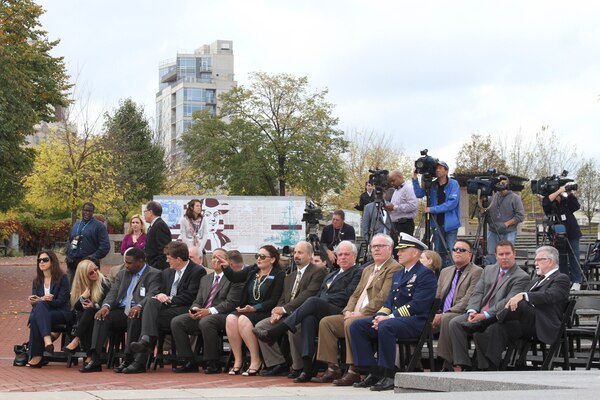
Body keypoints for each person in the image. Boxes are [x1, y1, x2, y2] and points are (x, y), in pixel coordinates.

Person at [349, 233, 437, 391]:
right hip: (395, 320)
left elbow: (417, 305)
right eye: (398, 250)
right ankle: (373, 371)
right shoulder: (399, 274)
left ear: (415, 253)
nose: (398, 253)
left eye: (403, 250)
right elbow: (389, 301)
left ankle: (388, 374)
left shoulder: (425, 274)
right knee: (357, 326)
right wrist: (379, 316)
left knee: (386, 326)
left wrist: (389, 317)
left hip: (416, 321)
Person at [315, 234, 401, 386]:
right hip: (354, 313)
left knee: (351, 323)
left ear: (390, 248)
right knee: (326, 323)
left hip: (374, 315)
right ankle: (332, 367)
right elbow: (355, 294)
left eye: (380, 246)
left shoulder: (394, 268)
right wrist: (348, 310)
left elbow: (383, 297)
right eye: (374, 246)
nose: (376, 249)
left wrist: (361, 313)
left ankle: (353, 370)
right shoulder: (368, 269)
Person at [477, 246, 570, 370]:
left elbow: (550, 296)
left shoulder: (561, 278)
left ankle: (487, 320)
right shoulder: (535, 281)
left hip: (542, 323)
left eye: (539, 260)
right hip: (524, 323)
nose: (535, 263)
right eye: (535, 260)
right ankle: (491, 367)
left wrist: (523, 295)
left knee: (521, 302)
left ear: (550, 261)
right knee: (495, 328)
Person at [448, 240, 530, 371]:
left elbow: (507, 302)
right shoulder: (488, 270)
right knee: (455, 323)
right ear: (496, 256)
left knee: (485, 330)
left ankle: (485, 367)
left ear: (514, 254)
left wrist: (484, 315)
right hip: (478, 313)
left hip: (497, 317)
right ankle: (463, 364)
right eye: (501, 254)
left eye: (507, 254)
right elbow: (478, 292)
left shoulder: (521, 277)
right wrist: (472, 311)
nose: (504, 257)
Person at [128, 241, 206, 373]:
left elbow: (191, 296)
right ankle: (145, 342)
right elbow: (159, 290)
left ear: (179, 260)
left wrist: (169, 298)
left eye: (169, 258)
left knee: (148, 318)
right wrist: (160, 295)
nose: (167, 261)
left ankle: (140, 357)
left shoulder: (197, 271)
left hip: (184, 308)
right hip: (166, 309)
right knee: (151, 303)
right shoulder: (167, 272)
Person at [79, 248, 161, 373]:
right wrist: (105, 306)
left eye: (129, 263)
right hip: (121, 310)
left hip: (139, 311)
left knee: (134, 317)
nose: (126, 265)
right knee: (101, 316)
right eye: (125, 262)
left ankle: (128, 358)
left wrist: (139, 305)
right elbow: (113, 293)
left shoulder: (154, 274)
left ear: (140, 261)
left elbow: (152, 294)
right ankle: (95, 359)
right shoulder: (122, 274)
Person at [252, 241, 326, 378]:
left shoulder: (318, 271)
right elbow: (283, 297)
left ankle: (298, 367)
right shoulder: (290, 276)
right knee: (260, 326)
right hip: (285, 314)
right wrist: (276, 312)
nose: (296, 255)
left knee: (294, 327)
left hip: (302, 315)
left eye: (300, 252)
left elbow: (308, 295)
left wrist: (284, 309)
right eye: (295, 252)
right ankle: (277, 363)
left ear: (310, 255)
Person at [170, 248, 244, 373]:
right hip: (203, 313)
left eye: (219, 257)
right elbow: (199, 300)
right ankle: (189, 360)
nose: (215, 260)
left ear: (227, 261)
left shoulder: (234, 278)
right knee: (177, 321)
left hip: (223, 315)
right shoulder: (206, 278)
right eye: (213, 257)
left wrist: (209, 311)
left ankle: (212, 362)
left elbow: (231, 303)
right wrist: (194, 309)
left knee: (207, 322)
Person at [221, 245, 285, 376]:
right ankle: (238, 361)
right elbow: (235, 277)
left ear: (272, 259)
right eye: (257, 256)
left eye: (262, 256)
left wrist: (254, 308)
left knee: (243, 319)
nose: (259, 259)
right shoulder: (253, 270)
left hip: (264, 310)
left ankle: (256, 360)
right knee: (231, 319)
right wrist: (226, 267)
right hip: (247, 308)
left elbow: (273, 300)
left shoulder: (278, 274)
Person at [433, 240, 482, 370]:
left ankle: (445, 362)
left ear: (470, 255)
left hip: (461, 312)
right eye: (455, 249)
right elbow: (437, 297)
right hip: (442, 313)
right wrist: (435, 312)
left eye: (462, 250)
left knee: (447, 319)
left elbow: (468, 299)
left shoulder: (477, 272)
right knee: (418, 318)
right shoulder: (445, 271)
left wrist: (443, 314)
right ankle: (413, 364)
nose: (457, 252)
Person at [25, 250, 73, 368]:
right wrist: (35, 301)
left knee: (37, 313)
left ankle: (37, 355)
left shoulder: (62, 279)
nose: (41, 262)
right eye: (39, 260)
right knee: (39, 308)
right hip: (44, 313)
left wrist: (49, 301)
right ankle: (47, 342)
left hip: (61, 312)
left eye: (45, 260)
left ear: (52, 262)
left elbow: (62, 301)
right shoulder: (36, 281)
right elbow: (36, 303)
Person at [413, 161, 460, 267]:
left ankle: (452, 274)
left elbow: (451, 204)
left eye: (440, 168)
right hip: (436, 224)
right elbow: (419, 194)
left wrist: (432, 209)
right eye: (436, 168)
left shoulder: (453, 184)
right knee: (439, 252)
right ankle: (440, 275)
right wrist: (415, 178)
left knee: (451, 251)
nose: (438, 170)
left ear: (446, 171)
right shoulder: (433, 185)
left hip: (450, 225)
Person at [63, 259, 111, 362]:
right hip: (86, 319)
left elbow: (108, 301)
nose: (95, 273)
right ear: (84, 275)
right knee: (85, 314)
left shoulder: (105, 282)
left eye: (96, 269)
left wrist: (94, 305)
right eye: (91, 272)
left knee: (89, 312)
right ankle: (89, 355)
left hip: (102, 316)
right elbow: (76, 306)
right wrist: (83, 297)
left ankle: (76, 339)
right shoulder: (80, 286)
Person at [542, 184, 583, 290]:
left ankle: (577, 281)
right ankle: (565, 280)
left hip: (572, 232)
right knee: (561, 258)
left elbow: (576, 206)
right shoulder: (549, 202)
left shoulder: (565, 200)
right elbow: (546, 203)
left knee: (574, 257)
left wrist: (569, 192)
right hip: (557, 235)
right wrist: (558, 190)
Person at [484, 176, 525, 265]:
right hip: (493, 231)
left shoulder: (515, 198)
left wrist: (507, 224)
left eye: (503, 183)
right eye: (499, 183)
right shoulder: (492, 197)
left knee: (506, 255)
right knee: (491, 255)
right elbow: (484, 212)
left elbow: (520, 216)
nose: (501, 185)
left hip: (508, 232)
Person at [66, 202, 110, 283]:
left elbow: (105, 246)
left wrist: (92, 257)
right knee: (71, 289)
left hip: (89, 264)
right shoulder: (76, 225)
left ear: (93, 212)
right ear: (82, 210)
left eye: (90, 211)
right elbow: (70, 241)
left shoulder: (99, 226)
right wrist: (68, 255)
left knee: (90, 290)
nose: (87, 213)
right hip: (73, 263)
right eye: (85, 210)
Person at [385, 170, 419, 238]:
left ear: (400, 177)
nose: (392, 183)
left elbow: (413, 206)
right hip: (395, 225)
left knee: (404, 248)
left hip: (404, 225)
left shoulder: (409, 188)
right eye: (390, 181)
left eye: (393, 180)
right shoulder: (396, 191)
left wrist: (394, 207)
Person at [144, 200, 172, 270]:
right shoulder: (154, 225)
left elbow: (163, 249)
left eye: (145, 211)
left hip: (157, 268)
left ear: (150, 212)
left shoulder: (159, 225)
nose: (144, 214)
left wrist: (156, 266)